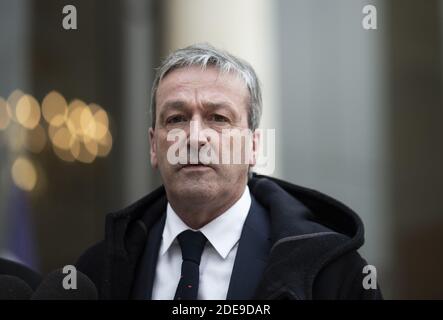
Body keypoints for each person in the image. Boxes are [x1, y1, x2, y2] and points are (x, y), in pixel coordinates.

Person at [76, 43, 382, 300]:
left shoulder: (331, 274)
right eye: (176, 119)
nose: (195, 137)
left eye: (218, 118)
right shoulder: (96, 273)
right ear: (154, 146)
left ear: (253, 146)